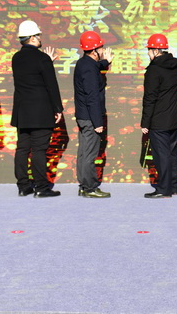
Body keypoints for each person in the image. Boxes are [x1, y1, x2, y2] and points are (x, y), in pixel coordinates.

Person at [11, 20, 64, 198]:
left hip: (22, 112)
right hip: (41, 112)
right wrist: (58, 108)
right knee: (39, 150)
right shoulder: (42, 58)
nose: (40, 38)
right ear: (33, 38)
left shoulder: (16, 58)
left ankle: (23, 186)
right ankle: (41, 187)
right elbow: (51, 85)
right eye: (38, 36)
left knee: (22, 149)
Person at [140, 34, 177, 199]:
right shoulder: (176, 65)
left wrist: (145, 122)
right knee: (171, 153)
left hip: (159, 119)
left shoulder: (154, 70)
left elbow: (150, 98)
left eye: (149, 50)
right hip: (174, 118)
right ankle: (172, 186)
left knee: (161, 155)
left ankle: (164, 189)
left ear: (156, 51)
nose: (148, 53)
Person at [74, 30, 113, 198]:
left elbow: (96, 66)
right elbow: (92, 97)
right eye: (101, 48)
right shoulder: (89, 69)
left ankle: (84, 186)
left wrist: (105, 62)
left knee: (83, 152)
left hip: (83, 116)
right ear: (95, 50)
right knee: (89, 154)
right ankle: (90, 188)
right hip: (90, 118)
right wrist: (98, 123)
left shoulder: (84, 63)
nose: (103, 50)